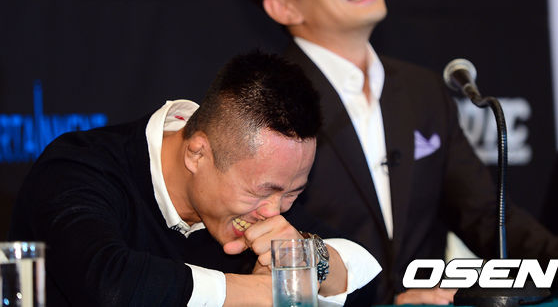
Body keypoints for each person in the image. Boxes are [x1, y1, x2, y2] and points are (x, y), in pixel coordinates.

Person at [237, 0, 558, 304]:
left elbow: (485, 215)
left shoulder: (424, 90)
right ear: (284, 5)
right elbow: (264, 248)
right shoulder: (262, 103)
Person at [8, 52, 381, 306]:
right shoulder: (77, 167)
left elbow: (367, 281)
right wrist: (263, 293)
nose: (274, 212)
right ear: (197, 154)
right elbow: (109, 283)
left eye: (293, 193)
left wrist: (308, 259)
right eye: (263, 192)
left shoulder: (266, 195)